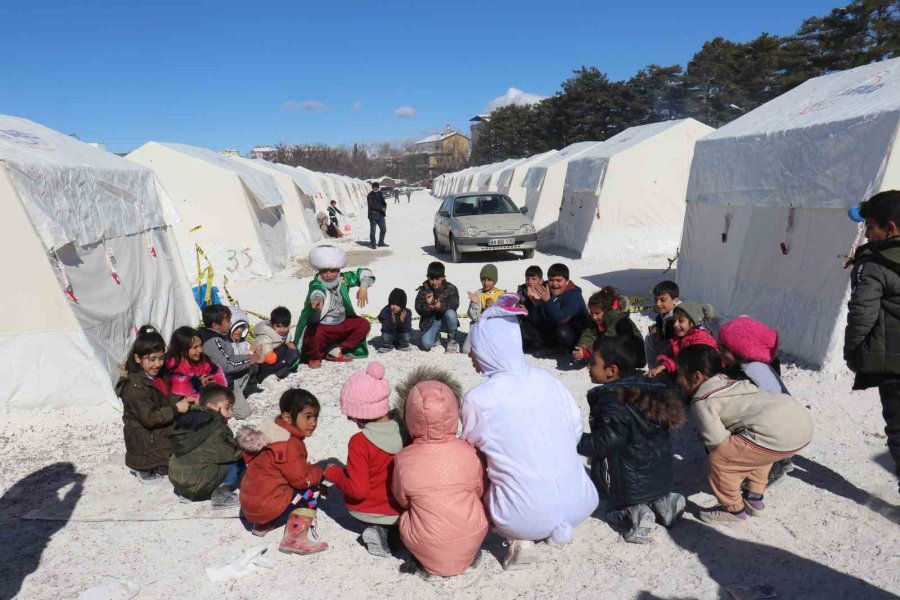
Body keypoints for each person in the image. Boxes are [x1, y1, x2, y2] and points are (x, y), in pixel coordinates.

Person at [461, 294, 598, 570]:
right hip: (582, 503)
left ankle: (518, 538)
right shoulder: (548, 379)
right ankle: (555, 523)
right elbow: (575, 431)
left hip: (522, 517)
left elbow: (468, 451)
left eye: (474, 349)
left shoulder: (479, 399)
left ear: (489, 349)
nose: (471, 356)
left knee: (477, 464)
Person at [676, 345, 813, 526]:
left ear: (696, 377)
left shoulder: (702, 401)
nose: (677, 380)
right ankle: (754, 498)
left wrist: (728, 469)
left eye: (680, 374)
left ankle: (733, 511)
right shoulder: (733, 382)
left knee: (720, 460)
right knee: (756, 451)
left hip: (776, 435)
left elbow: (717, 442)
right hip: (800, 424)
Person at [577, 334, 685, 544]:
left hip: (630, 488)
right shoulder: (651, 390)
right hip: (661, 479)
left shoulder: (611, 402)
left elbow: (604, 443)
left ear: (612, 370)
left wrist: (575, 440)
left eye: (593, 362)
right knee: (649, 485)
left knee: (610, 511)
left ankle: (634, 513)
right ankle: (664, 503)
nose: (589, 366)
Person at [393, 366, 488, 579]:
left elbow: (402, 499)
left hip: (425, 542)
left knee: (409, 514)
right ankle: (467, 556)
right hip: (473, 534)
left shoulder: (403, 458)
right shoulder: (469, 451)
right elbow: (480, 490)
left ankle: (426, 560)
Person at [844, 190, 900, 492]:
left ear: (889, 228)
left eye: (870, 226)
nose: (866, 233)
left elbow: (862, 313)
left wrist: (853, 353)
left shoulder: (877, 264)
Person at [324, 363, 404, 557]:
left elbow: (358, 490)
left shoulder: (360, 442)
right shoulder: (405, 429)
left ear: (359, 414)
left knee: (356, 488)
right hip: (403, 507)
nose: (350, 420)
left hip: (370, 510)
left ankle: (377, 530)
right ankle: (393, 532)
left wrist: (333, 473)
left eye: (351, 415)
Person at [237, 388, 328, 554]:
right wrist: (319, 472)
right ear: (287, 417)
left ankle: (263, 525)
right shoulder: (289, 443)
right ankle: (295, 539)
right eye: (308, 417)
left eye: (315, 417)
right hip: (265, 507)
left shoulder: (270, 431)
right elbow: (302, 480)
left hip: (251, 505)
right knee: (311, 490)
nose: (313, 423)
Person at [117, 325, 190, 482]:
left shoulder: (156, 377)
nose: (157, 364)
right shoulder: (134, 386)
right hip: (144, 443)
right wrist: (176, 409)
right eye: (152, 359)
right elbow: (149, 418)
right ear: (138, 358)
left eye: (161, 358)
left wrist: (182, 399)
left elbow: (163, 398)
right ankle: (144, 468)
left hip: (156, 433)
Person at [292, 245, 374, 369]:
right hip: (323, 326)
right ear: (319, 271)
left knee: (363, 325)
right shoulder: (317, 282)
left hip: (341, 323)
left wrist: (363, 287)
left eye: (333, 271)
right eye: (324, 271)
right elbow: (316, 290)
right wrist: (317, 299)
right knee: (315, 333)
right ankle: (315, 356)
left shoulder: (343, 280)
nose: (329, 275)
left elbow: (363, 273)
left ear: (338, 270)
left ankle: (335, 349)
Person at [168, 383, 243, 508]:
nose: (230, 414)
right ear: (210, 406)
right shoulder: (215, 426)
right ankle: (221, 494)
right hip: (198, 483)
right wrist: (242, 442)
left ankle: (187, 494)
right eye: (227, 408)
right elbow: (231, 453)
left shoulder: (188, 417)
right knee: (238, 461)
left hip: (178, 479)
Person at [199, 304, 261, 420]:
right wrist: (249, 359)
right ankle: (227, 403)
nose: (230, 323)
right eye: (227, 320)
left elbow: (231, 357)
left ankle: (234, 398)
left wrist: (249, 357)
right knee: (243, 413)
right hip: (219, 383)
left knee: (248, 367)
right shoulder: (213, 341)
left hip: (227, 378)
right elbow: (226, 365)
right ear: (215, 325)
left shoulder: (220, 336)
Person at [520, 263, 590, 354]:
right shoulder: (546, 291)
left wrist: (548, 301)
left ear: (567, 281)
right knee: (525, 329)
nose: (554, 284)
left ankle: (564, 349)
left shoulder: (574, 295)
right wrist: (537, 305)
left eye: (559, 280)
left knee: (563, 332)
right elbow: (538, 322)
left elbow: (561, 320)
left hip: (574, 333)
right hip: (553, 329)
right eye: (551, 280)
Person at [573, 287, 644, 364]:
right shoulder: (595, 320)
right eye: (591, 313)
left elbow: (608, 340)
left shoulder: (617, 319)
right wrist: (583, 347)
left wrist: (588, 351)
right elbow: (589, 333)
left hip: (635, 356)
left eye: (597, 313)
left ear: (606, 311)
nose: (594, 317)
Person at [647, 302, 717, 378]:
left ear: (692, 323)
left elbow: (688, 360)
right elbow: (671, 354)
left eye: (681, 320)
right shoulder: (681, 337)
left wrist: (665, 366)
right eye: (674, 320)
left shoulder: (701, 339)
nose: (675, 324)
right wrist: (661, 359)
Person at [165, 326, 228, 401]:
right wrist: (199, 385)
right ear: (181, 350)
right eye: (195, 347)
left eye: (201, 345)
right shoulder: (173, 368)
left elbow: (220, 382)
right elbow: (186, 394)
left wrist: (212, 384)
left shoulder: (205, 362)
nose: (200, 350)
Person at [415, 261, 460, 352]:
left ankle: (452, 339)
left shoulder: (451, 288)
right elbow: (418, 307)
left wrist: (440, 306)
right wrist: (428, 307)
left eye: (437, 279)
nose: (434, 282)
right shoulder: (424, 290)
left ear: (443, 277)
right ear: (427, 277)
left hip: (446, 320)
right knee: (426, 344)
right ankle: (436, 336)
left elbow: (454, 304)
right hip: (431, 321)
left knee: (451, 313)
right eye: (431, 279)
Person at [253, 306, 301, 380]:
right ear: (272, 325)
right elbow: (269, 357)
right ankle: (268, 376)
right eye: (278, 326)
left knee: (295, 352)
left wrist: (289, 345)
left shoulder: (285, 334)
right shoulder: (266, 336)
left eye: (285, 326)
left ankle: (280, 371)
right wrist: (285, 346)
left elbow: (287, 343)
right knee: (284, 349)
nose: (282, 330)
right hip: (263, 364)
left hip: (276, 358)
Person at [645, 281, 681, 366]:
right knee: (650, 337)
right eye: (656, 300)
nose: (658, 304)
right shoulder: (665, 313)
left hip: (678, 353)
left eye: (663, 300)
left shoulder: (678, 316)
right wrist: (657, 328)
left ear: (675, 300)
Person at [377, 288, 413, 353]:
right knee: (385, 336)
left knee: (407, 336)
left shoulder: (407, 312)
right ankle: (387, 346)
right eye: (392, 304)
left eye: (397, 304)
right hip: (390, 334)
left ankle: (402, 345)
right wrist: (390, 321)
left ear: (402, 305)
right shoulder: (386, 310)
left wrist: (402, 322)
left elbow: (407, 328)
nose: (394, 307)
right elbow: (384, 326)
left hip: (400, 334)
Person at [367, 182, 387, 249]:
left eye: (377, 187)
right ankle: (373, 244)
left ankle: (381, 242)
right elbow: (371, 205)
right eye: (374, 187)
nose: (375, 188)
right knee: (373, 231)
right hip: (373, 215)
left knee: (383, 229)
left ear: (378, 188)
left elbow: (384, 203)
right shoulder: (369, 195)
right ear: (372, 188)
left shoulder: (380, 193)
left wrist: (384, 207)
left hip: (381, 215)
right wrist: (381, 208)